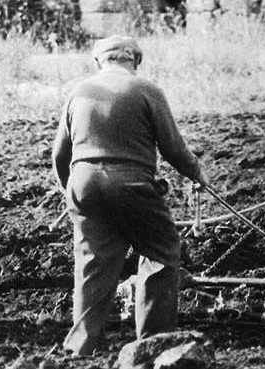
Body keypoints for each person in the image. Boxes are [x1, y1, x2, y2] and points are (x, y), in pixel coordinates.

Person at [51, 34, 208, 356]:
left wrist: (73, 192)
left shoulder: (78, 92)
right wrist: (197, 173)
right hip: (132, 185)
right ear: (135, 61)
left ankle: (80, 347)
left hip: (83, 185)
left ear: (99, 62)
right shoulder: (148, 90)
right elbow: (173, 148)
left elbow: (59, 155)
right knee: (161, 251)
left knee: (93, 265)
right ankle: (152, 342)